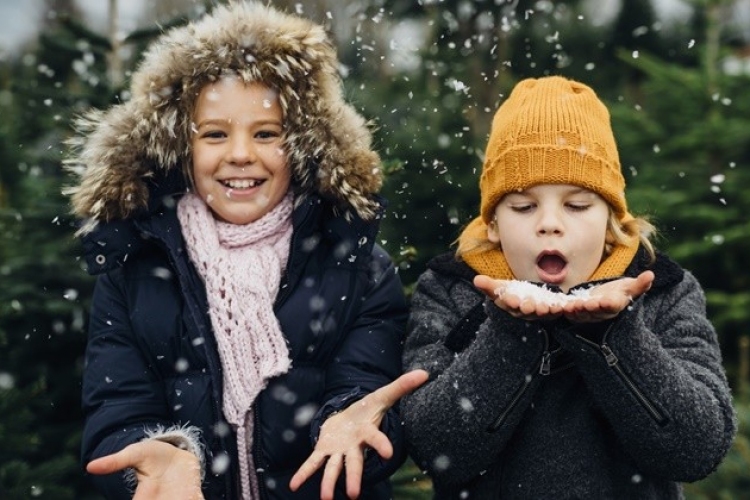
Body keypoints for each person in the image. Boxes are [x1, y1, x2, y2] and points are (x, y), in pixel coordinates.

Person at [64, 2, 427, 499]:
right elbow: (116, 410)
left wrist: (351, 426)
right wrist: (159, 454)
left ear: (300, 144)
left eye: (266, 134)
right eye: (214, 133)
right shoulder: (135, 267)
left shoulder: (354, 262)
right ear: (180, 147)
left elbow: (366, 385)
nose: (240, 154)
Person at [400, 76, 737, 499]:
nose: (549, 222)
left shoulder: (665, 291)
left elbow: (697, 451)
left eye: (577, 205)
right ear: (493, 223)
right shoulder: (451, 291)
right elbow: (433, 449)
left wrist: (614, 336)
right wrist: (508, 333)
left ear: (612, 219)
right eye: (523, 206)